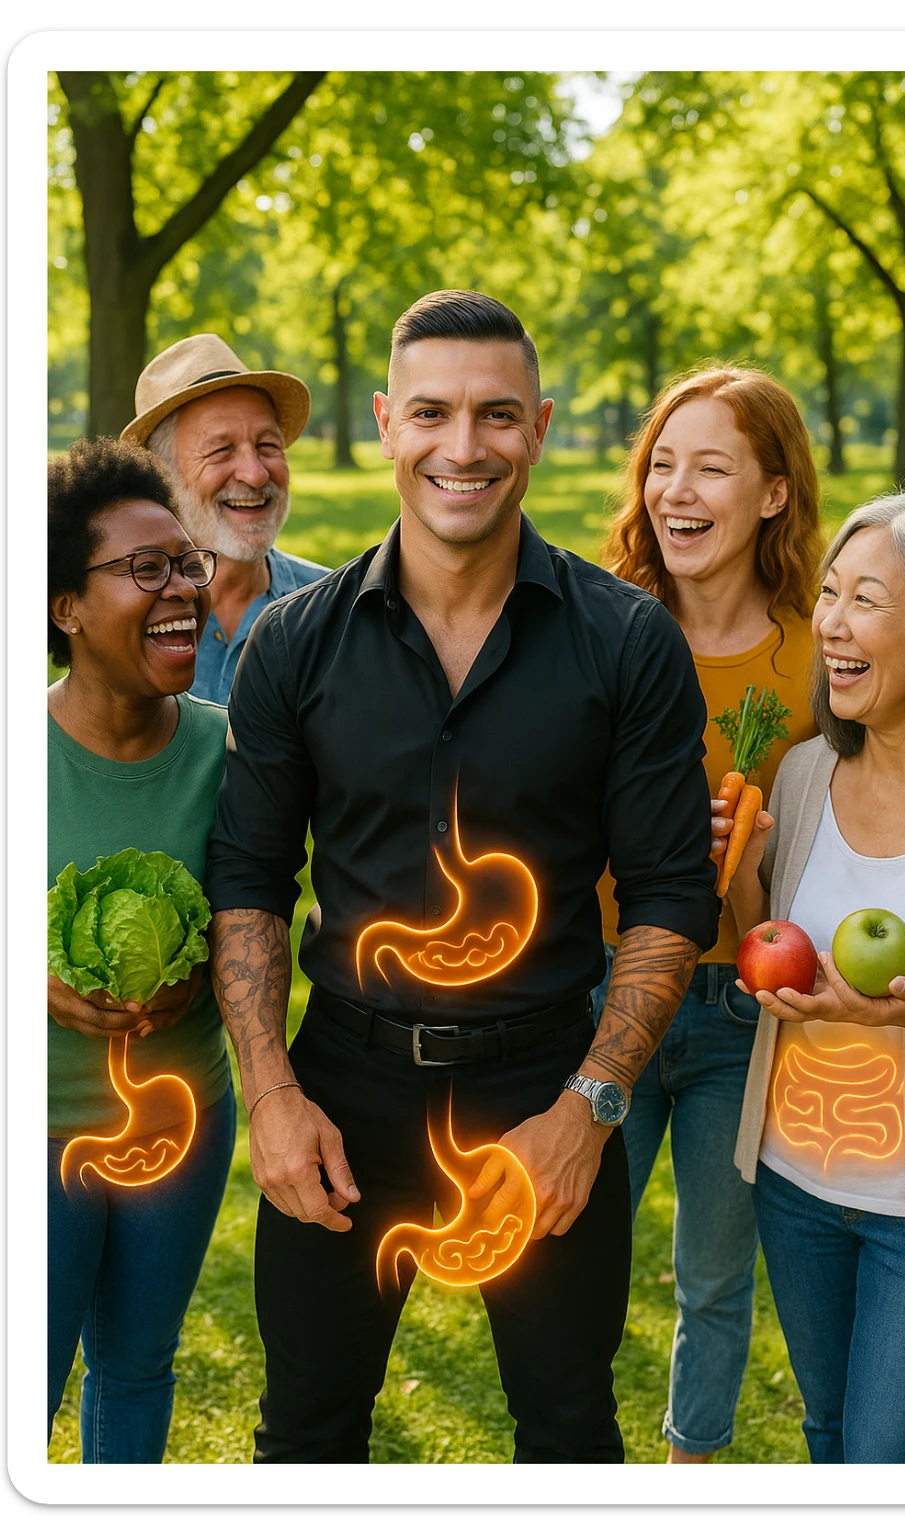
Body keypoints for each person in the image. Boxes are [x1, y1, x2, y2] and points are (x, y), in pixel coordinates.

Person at [204, 290, 720, 1464]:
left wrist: (587, 1112)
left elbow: (669, 894)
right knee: (305, 1435)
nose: (464, 446)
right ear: (387, 421)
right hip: (341, 1088)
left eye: (496, 415)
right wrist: (273, 1098)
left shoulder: (627, 641)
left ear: (537, 428)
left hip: (545, 1082)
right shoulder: (294, 643)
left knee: (571, 1432)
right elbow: (247, 877)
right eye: (432, 412)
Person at [595, 365, 823, 1462]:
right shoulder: (596, 630)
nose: (673, 490)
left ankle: (694, 1466)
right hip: (601, 988)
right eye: (661, 465)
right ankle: (570, 1457)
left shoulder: (816, 666)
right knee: (575, 1254)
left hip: (741, 1006)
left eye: (711, 467)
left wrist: (752, 879)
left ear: (772, 494)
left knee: (717, 1278)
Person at [728, 489, 905, 1464]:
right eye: (829, 592)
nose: (829, 621)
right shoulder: (797, 778)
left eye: (865, 599)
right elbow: (771, 962)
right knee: (828, 1434)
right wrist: (743, 880)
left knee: (887, 1459)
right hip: (792, 1186)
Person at [47, 436, 235, 1462]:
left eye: (186, 563)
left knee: (137, 1365)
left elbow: (258, 912)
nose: (180, 589)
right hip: (37, 1135)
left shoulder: (229, 748)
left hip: (184, 1121)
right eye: (143, 569)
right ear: (66, 607)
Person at [120, 333, 330, 706]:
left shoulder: (335, 609)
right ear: (162, 477)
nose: (255, 474)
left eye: (268, 446)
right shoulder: (126, 621)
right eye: (220, 450)